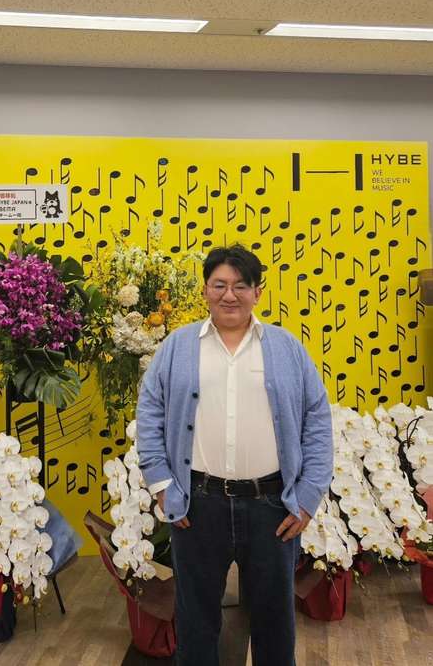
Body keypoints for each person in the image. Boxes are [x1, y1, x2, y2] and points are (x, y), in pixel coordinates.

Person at [136, 244, 333, 666]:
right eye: (219, 285)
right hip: (196, 504)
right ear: (205, 290)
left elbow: (317, 420)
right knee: (195, 619)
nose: (230, 295)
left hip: (272, 507)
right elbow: (149, 412)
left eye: (241, 286)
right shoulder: (177, 347)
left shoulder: (286, 348)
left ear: (257, 292)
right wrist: (163, 485)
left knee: (274, 621)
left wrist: (307, 497)